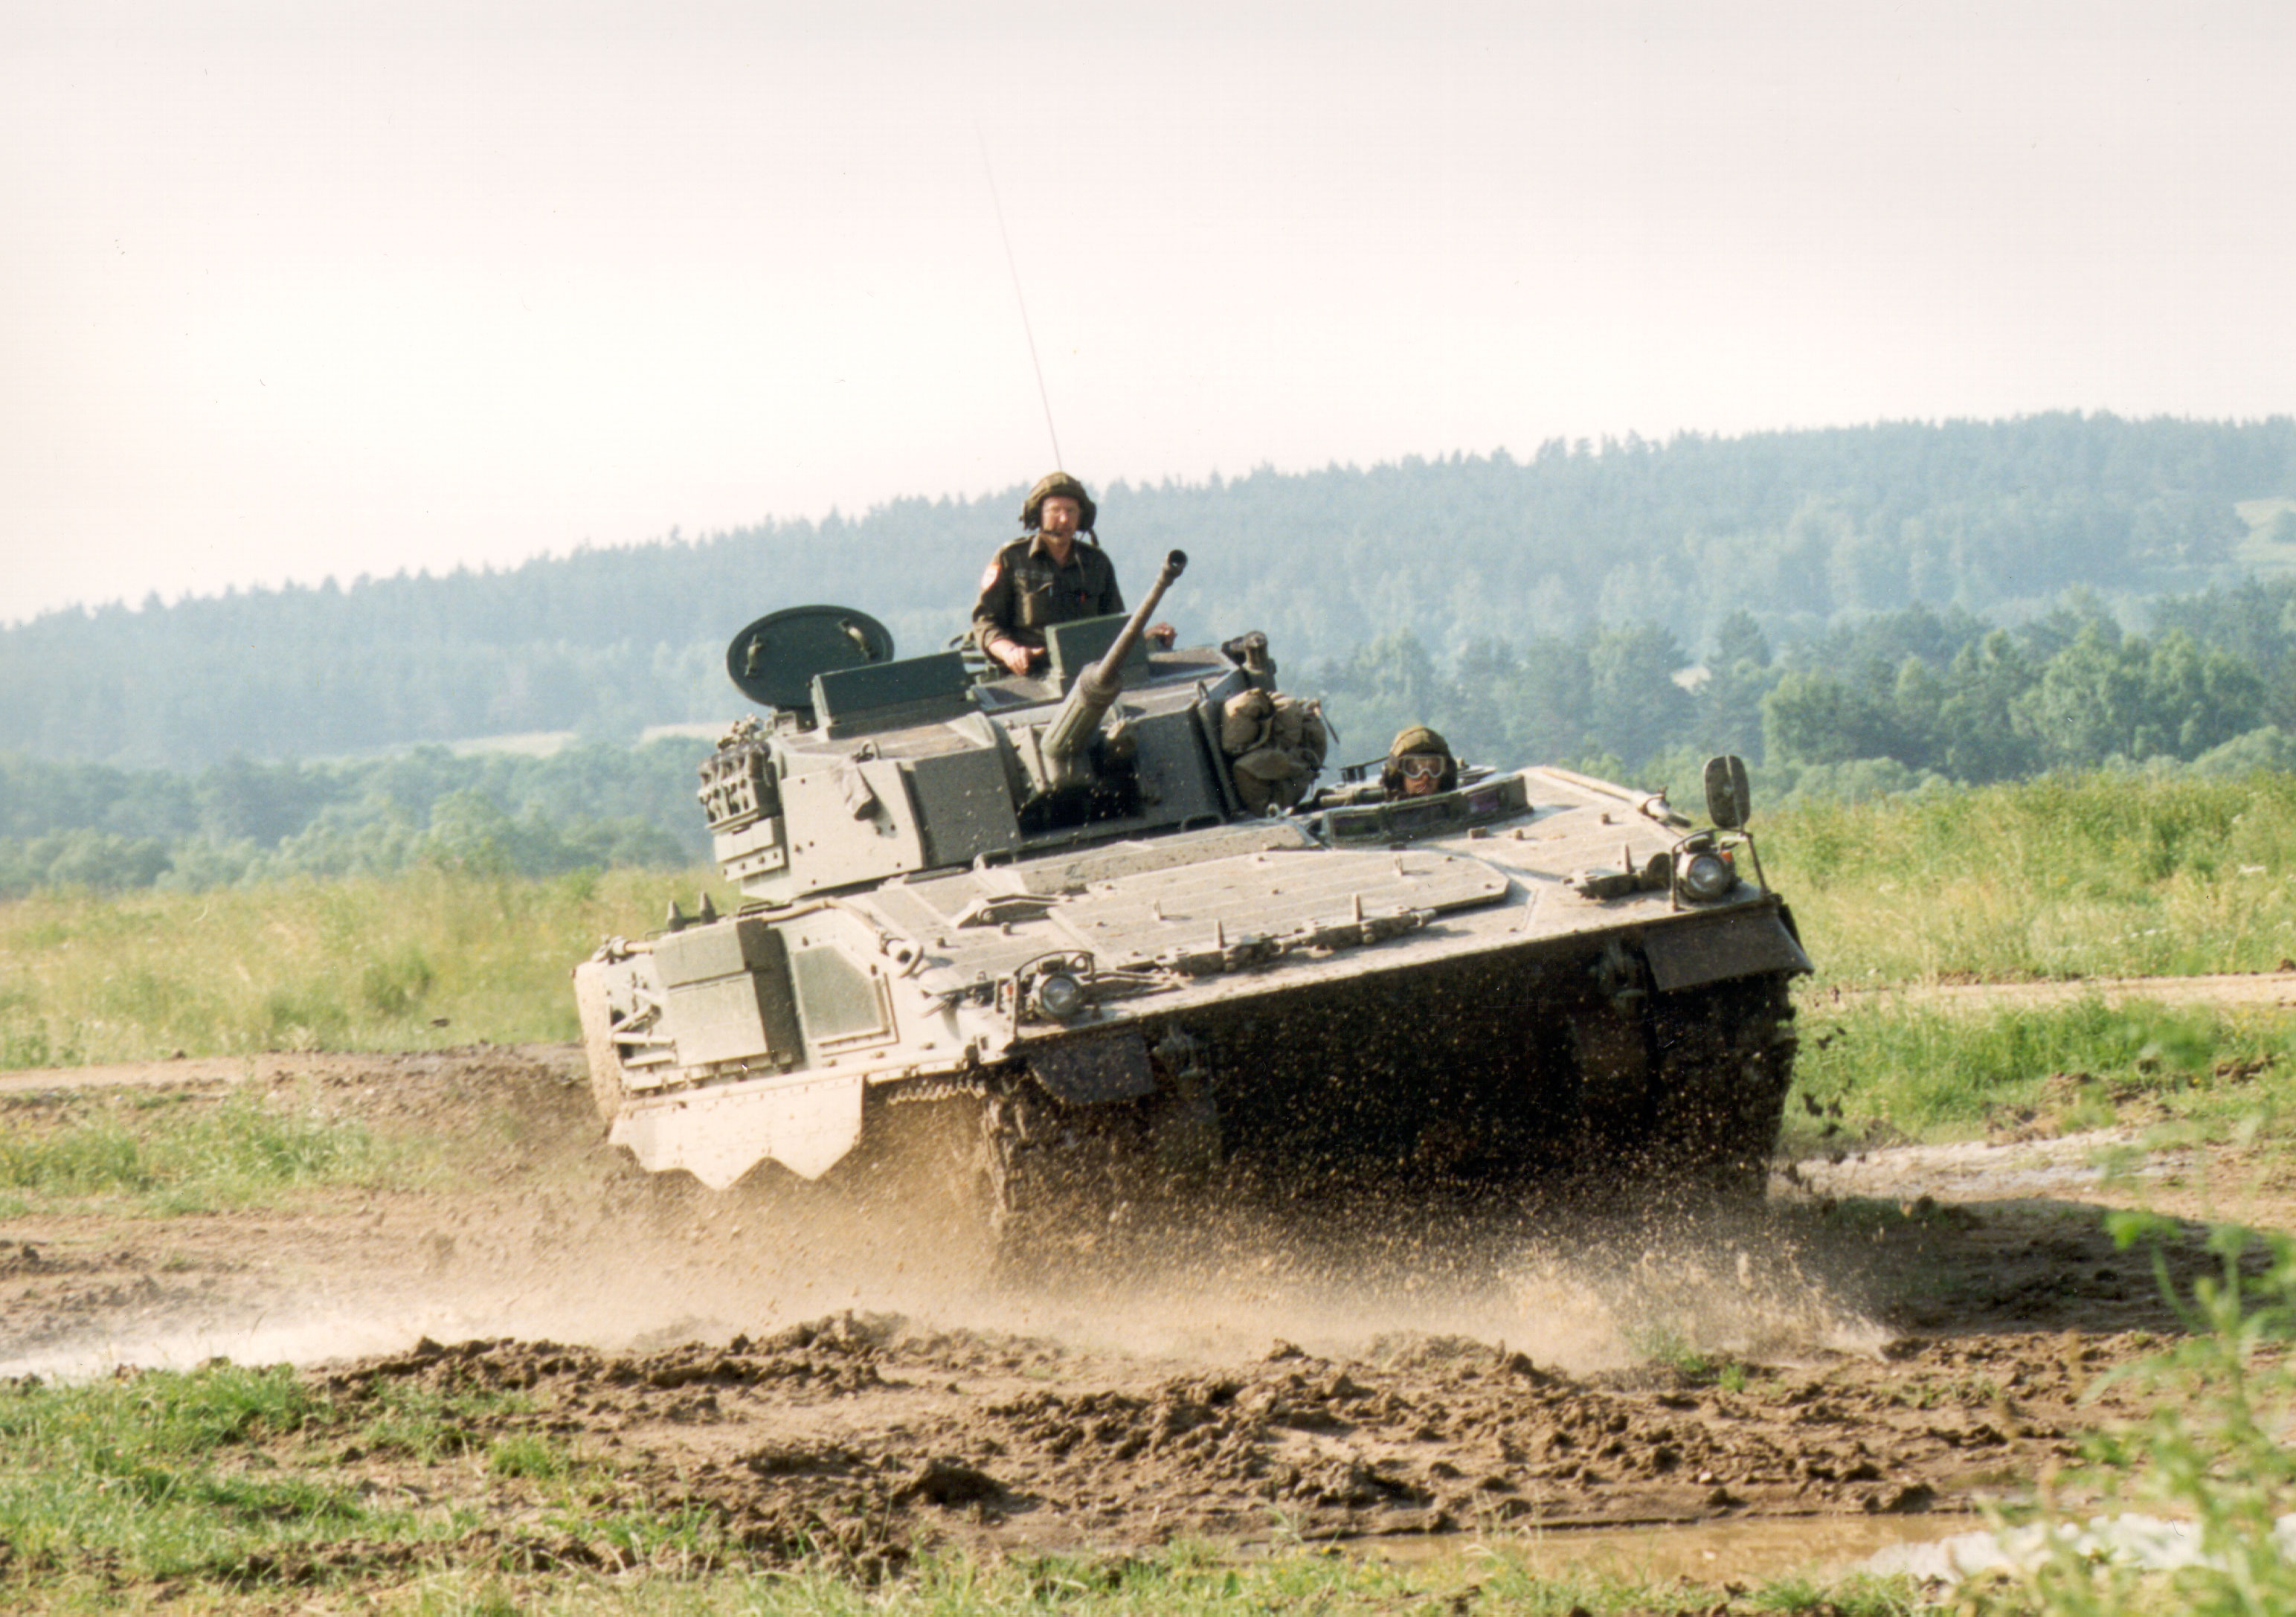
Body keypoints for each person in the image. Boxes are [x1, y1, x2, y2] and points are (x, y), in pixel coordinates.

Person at [971, 472, 1170, 676]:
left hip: (1090, 673)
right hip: (1030, 675)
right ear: (1038, 514)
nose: (1064, 519)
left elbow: (1113, 628)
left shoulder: (1096, 562)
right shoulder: (1012, 559)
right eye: (1055, 511)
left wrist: (1143, 638)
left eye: (1071, 511)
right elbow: (984, 621)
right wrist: (1010, 651)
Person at [1383, 725, 1458, 798]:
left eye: (1433, 769)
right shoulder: (1381, 807)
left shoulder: (1458, 804)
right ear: (1399, 777)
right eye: (1414, 769)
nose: (1425, 778)